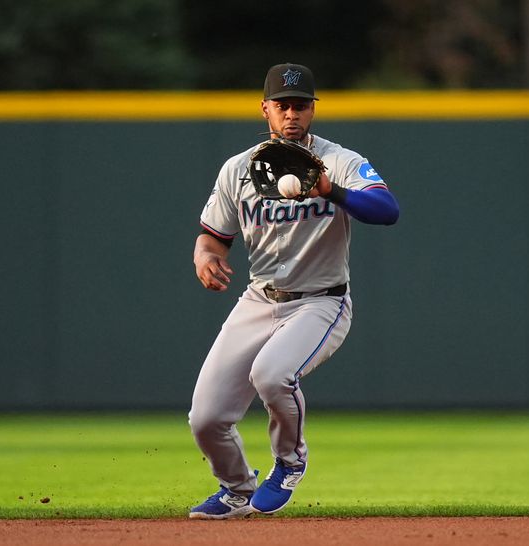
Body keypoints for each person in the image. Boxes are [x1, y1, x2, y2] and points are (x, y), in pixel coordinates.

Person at [188, 62, 399, 519]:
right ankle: (236, 489)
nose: (291, 113)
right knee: (205, 419)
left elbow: (386, 210)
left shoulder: (338, 161)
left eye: (300, 105)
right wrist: (204, 257)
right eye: (282, 105)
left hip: (321, 302)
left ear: (312, 110)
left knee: (272, 375)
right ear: (264, 108)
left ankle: (289, 461)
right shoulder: (237, 170)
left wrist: (332, 190)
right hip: (259, 299)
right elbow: (212, 237)